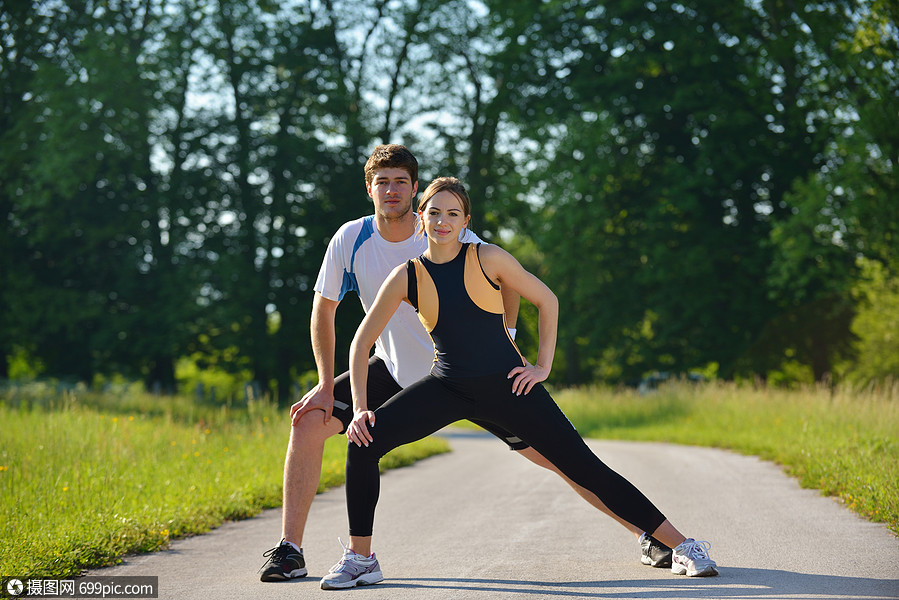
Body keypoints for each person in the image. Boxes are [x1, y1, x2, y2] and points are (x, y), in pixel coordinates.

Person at [259, 145, 671, 582]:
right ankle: (291, 551)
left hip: (468, 374)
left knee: (557, 458)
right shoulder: (351, 239)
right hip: (395, 371)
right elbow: (323, 311)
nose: (392, 190)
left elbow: (502, 276)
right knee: (308, 422)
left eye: (401, 181)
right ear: (369, 188)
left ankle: (646, 532)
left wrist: (508, 336)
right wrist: (325, 385)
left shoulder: (439, 227)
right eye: (383, 181)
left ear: (415, 189)